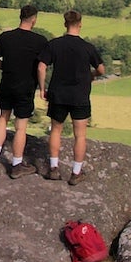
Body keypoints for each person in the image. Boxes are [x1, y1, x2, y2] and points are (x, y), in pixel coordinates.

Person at [0, 5, 52, 178]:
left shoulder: (6, 37)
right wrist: (42, 87)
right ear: (34, 19)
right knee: (20, 127)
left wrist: (6, 67)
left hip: (7, 83)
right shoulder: (40, 41)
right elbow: (41, 67)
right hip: (26, 87)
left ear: (20, 17)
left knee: (3, 118)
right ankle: (16, 166)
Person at [44, 10, 105, 184]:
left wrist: (42, 88)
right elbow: (101, 70)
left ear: (65, 24)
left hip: (58, 94)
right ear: (80, 24)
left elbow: (42, 65)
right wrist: (92, 75)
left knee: (56, 130)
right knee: (80, 135)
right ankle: (75, 173)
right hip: (80, 96)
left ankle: (54, 169)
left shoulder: (55, 44)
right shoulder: (87, 47)